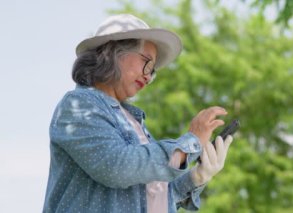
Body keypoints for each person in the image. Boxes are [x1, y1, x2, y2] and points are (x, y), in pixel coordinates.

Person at [43, 14, 234, 213]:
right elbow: (117, 167)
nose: (148, 75)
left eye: (152, 71)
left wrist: (197, 177)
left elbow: (153, 195)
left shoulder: (132, 121)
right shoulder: (79, 105)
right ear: (113, 52)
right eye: (146, 63)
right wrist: (191, 142)